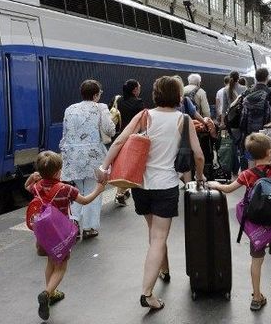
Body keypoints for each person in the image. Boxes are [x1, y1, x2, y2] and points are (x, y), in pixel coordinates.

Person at [96, 76, 205, 310]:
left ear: (155, 94)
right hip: (165, 186)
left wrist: (104, 168)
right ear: (178, 96)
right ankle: (147, 293)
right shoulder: (183, 119)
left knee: (154, 233)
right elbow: (198, 155)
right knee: (159, 237)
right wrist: (198, 177)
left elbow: (118, 142)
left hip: (141, 186)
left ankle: (164, 268)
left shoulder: (144, 115)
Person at [208, 133, 271, 311]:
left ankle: (256, 297)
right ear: (270, 152)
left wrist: (214, 185)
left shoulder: (248, 175)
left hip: (257, 225)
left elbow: (228, 189)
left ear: (250, 155)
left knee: (256, 259)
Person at [25, 151, 106, 320]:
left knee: (50, 262)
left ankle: (52, 292)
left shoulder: (37, 186)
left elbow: (27, 187)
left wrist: (32, 177)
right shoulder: (65, 189)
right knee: (61, 266)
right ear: (58, 172)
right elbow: (84, 201)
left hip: (43, 234)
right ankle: (47, 293)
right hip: (59, 234)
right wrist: (98, 190)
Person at [59, 80, 115, 239]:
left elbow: (66, 134)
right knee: (93, 190)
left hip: (72, 155)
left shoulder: (69, 109)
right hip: (93, 156)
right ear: (96, 94)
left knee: (76, 191)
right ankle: (90, 227)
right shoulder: (101, 108)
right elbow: (109, 130)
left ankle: (73, 222)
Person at [115, 79, 145, 205]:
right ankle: (120, 193)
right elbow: (144, 122)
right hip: (135, 138)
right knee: (131, 167)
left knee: (124, 165)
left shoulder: (119, 101)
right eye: (139, 87)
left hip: (122, 136)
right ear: (135, 90)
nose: (140, 89)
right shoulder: (139, 103)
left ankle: (122, 191)